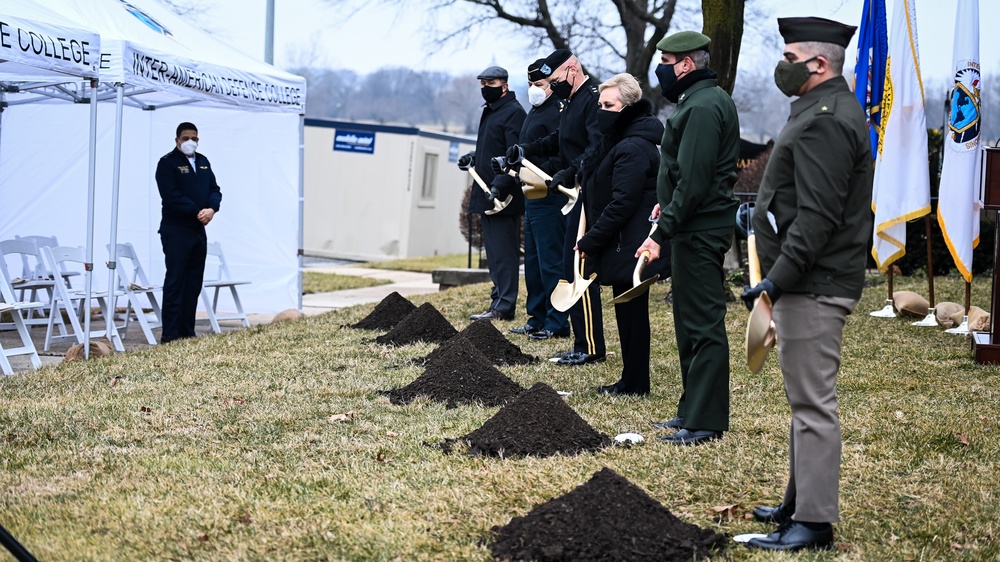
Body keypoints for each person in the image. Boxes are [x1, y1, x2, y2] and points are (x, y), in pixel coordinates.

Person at [740, 17, 871, 552]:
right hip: (807, 281)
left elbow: (817, 219)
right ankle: (797, 502)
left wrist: (775, 279)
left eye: (789, 56)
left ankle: (813, 524)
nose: (782, 64)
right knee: (803, 400)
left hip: (814, 283)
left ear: (818, 64)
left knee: (813, 405)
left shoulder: (825, 119)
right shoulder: (825, 108)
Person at [636, 31, 740, 445]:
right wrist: (667, 202)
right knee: (688, 321)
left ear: (685, 64)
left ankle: (706, 421)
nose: (661, 68)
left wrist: (661, 232)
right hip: (692, 223)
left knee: (703, 324)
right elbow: (686, 176)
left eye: (665, 59)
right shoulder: (699, 101)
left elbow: (696, 182)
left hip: (700, 229)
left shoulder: (702, 106)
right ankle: (690, 410)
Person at [506, 49, 606, 366]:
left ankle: (590, 345)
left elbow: (596, 146)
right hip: (573, 192)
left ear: (572, 69)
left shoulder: (592, 99)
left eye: (556, 79)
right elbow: (559, 138)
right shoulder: (572, 102)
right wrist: (527, 149)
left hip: (585, 193)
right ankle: (580, 340)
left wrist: (571, 171)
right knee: (568, 268)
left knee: (580, 270)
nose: (553, 84)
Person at [575, 74, 665, 396]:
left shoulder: (633, 147)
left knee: (633, 317)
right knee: (627, 314)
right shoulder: (618, 142)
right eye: (600, 104)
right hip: (622, 242)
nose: (601, 110)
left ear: (627, 107)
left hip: (631, 245)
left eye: (608, 105)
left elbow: (621, 203)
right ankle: (631, 380)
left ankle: (636, 383)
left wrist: (591, 239)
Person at [506, 59, 571, 341]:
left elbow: (560, 152)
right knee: (533, 262)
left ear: (551, 85)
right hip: (531, 194)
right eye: (531, 84)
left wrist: (541, 168)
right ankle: (537, 316)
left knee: (551, 261)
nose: (534, 89)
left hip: (550, 193)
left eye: (540, 84)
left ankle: (557, 321)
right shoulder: (534, 111)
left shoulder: (557, 112)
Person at [458, 65, 526, 321]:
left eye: (491, 83)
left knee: (505, 253)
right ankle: (498, 299)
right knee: (494, 253)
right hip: (488, 194)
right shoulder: (491, 112)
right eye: (483, 83)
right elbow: (491, 149)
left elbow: (514, 156)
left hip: (504, 198)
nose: (486, 87)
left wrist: (500, 185)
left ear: (505, 85)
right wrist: (474, 157)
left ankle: (505, 305)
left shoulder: (513, 113)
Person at [155, 122, 222, 344]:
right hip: (176, 230)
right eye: (185, 138)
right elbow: (171, 196)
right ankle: (171, 334)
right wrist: (197, 212)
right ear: (177, 140)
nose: (189, 142)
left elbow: (215, 189)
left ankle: (187, 331)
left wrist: (212, 209)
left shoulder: (203, 162)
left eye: (193, 138)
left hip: (198, 230)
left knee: (193, 281)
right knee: (176, 280)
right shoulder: (167, 163)